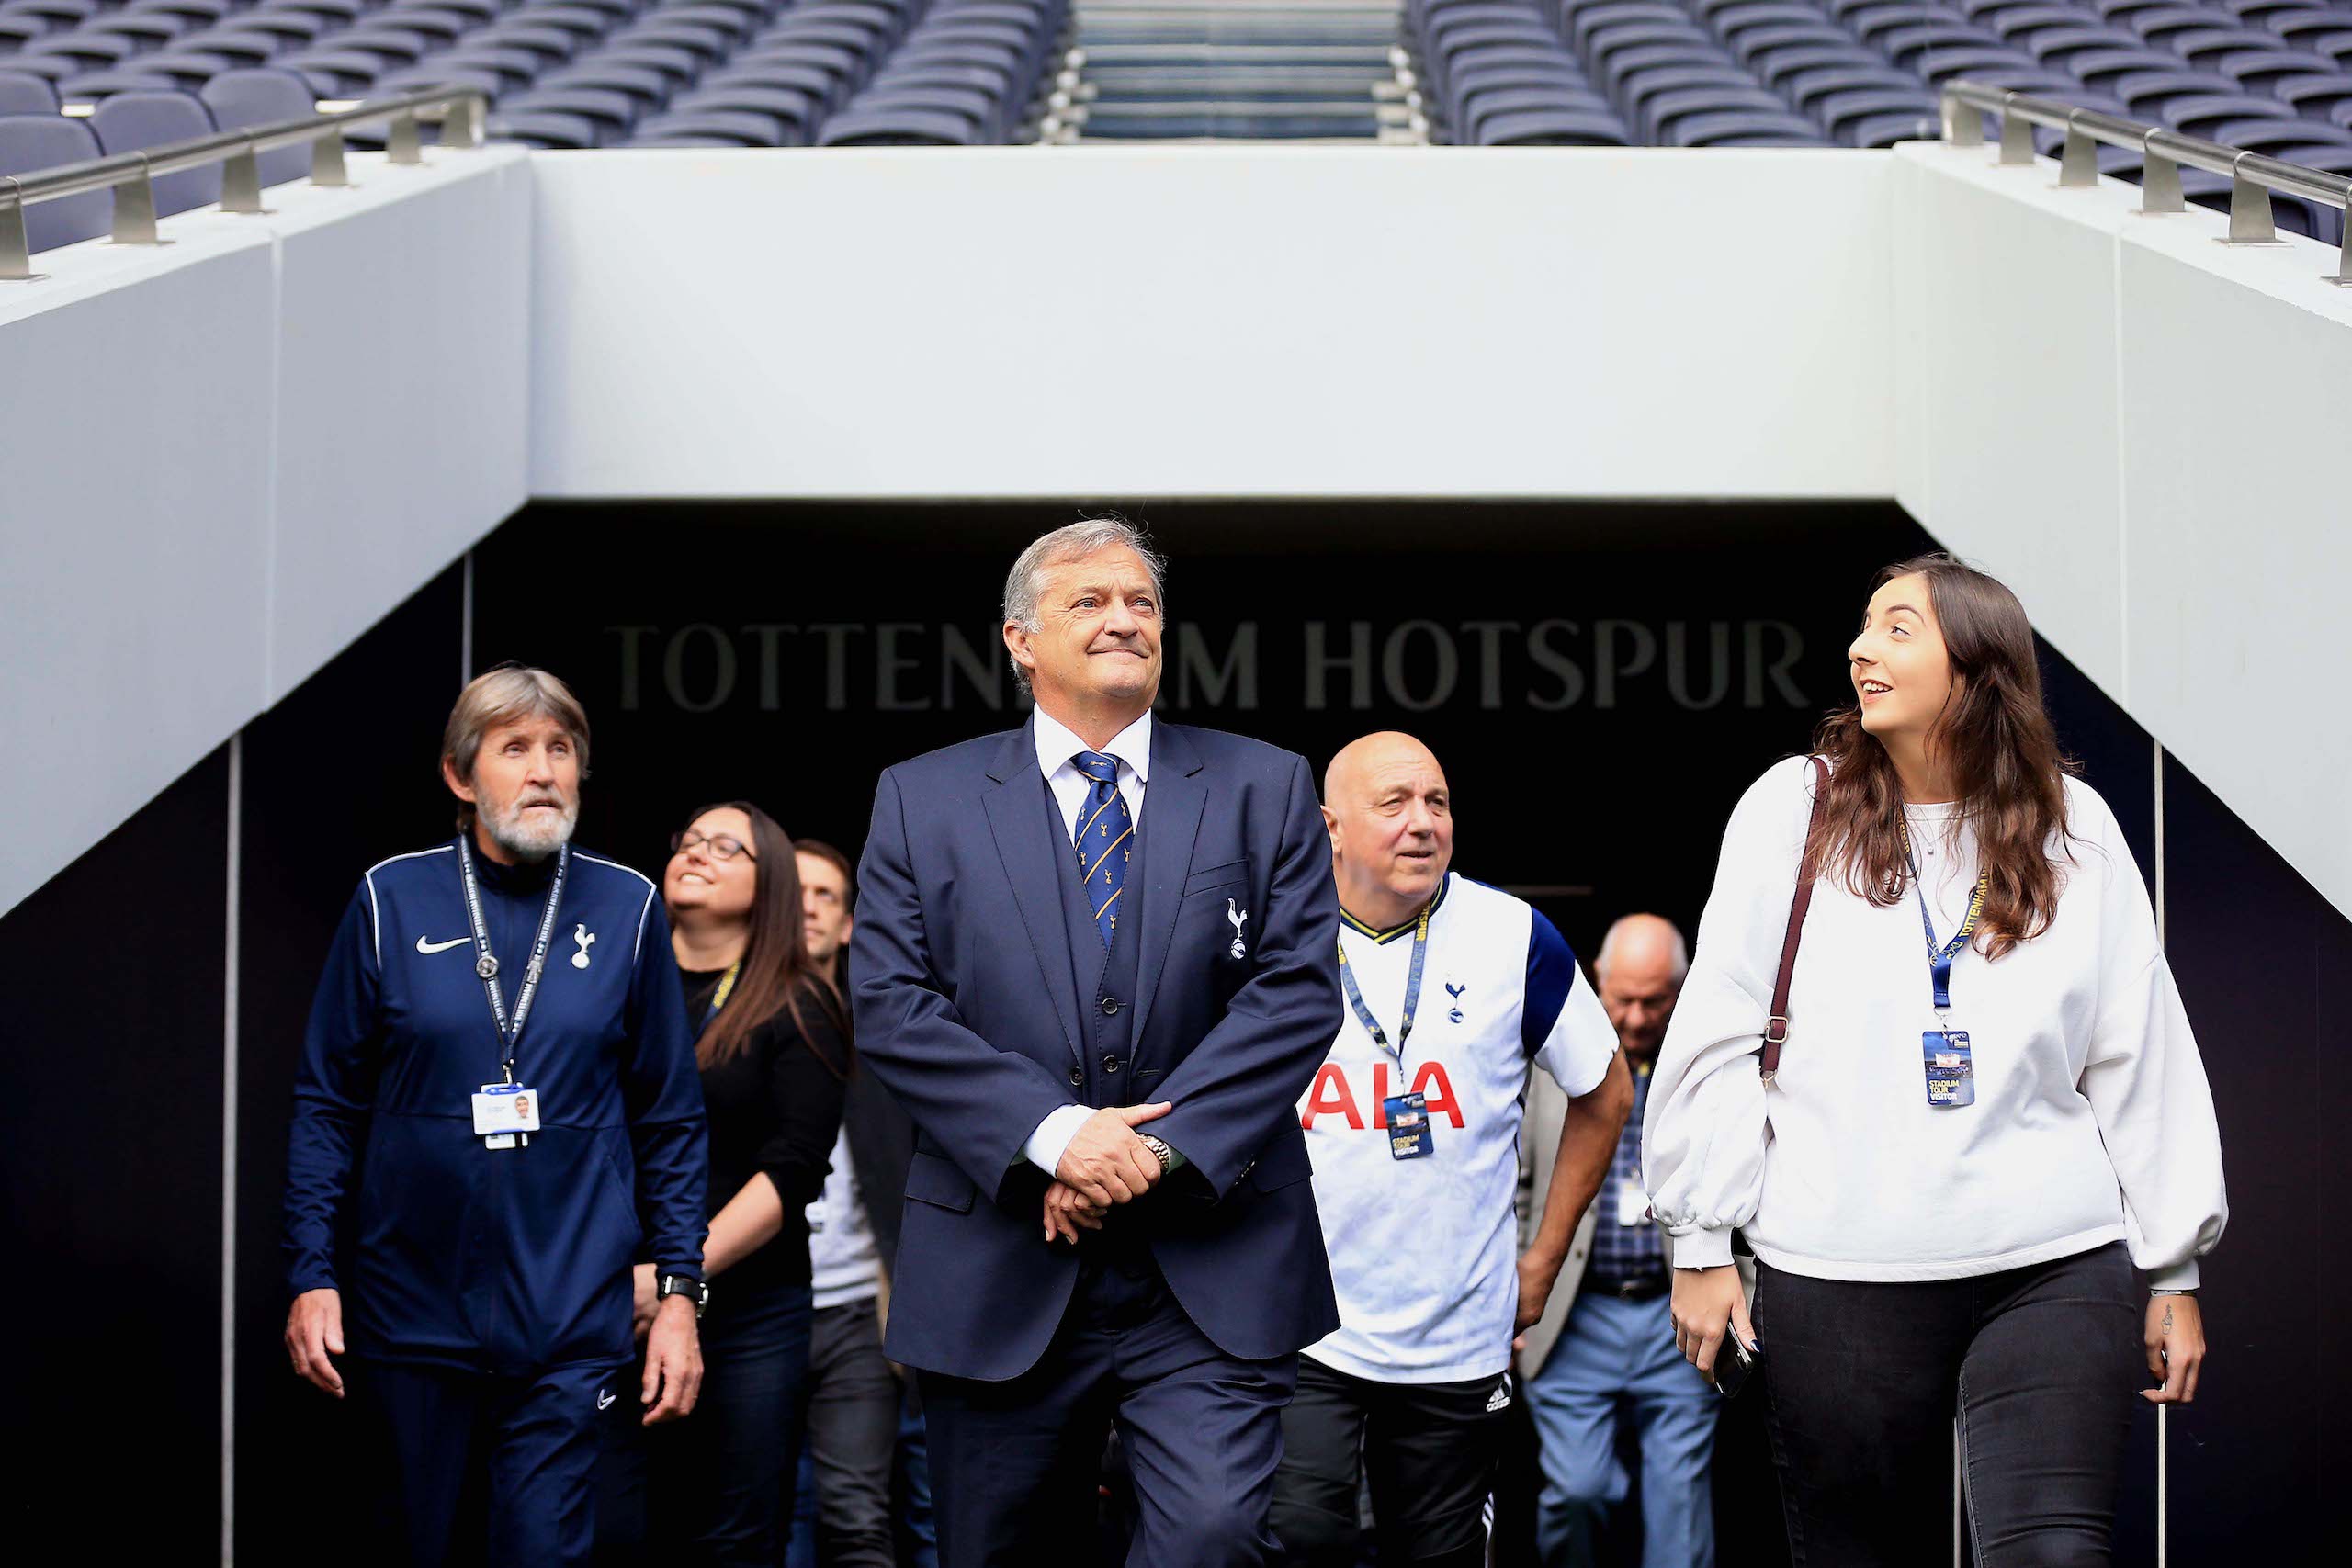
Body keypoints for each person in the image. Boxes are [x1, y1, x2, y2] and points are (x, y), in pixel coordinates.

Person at [1648, 554, 2229, 1565]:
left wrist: (2172, 1265)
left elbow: (2136, 1047)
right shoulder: (1795, 809)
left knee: (2054, 1555)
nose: (1860, 649)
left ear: (1976, 664)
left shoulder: (2071, 824)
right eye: (1863, 628)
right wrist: (1700, 1241)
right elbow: (1720, 1028)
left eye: (1897, 628)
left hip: (2050, 1262)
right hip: (1836, 1269)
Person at [849, 517, 1346, 1568]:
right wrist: (1055, 1136)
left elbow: (1295, 993)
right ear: (1019, 640)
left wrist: (1147, 1155)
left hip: (1212, 1260)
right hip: (999, 1256)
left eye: (1143, 603)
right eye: (1090, 601)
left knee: (1211, 1537)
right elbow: (891, 1002)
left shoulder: (1266, 786)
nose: (1125, 619)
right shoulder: (921, 798)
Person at [281, 666, 707, 1566]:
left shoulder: (627, 906)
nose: (545, 770)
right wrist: (310, 1273)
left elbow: (669, 1117)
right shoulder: (390, 899)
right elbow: (327, 1103)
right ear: (460, 775)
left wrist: (677, 1296)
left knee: (543, 1552)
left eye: (560, 749)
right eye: (516, 749)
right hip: (410, 1308)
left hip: (571, 1318)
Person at [1271, 733, 1630, 1568]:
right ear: (1329, 826)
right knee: (1300, 1537)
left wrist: (1542, 1256)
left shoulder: (1513, 934)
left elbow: (1605, 1090)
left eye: (1437, 802)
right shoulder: (1270, 936)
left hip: (1460, 1333)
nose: (1423, 823)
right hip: (1305, 1324)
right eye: (1393, 803)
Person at [621, 800, 849, 1563]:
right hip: (612, 1300)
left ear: (770, 883)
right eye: (688, 841)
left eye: (727, 847)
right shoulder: (618, 985)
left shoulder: (798, 1000)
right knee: (615, 1525)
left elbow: (791, 1172)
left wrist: (676, 1278)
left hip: (749, 1313)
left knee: (731, 1539)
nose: (697, 853)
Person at [1520, 914, 1718, 1567]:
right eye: (1622, 998)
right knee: (1579, 1491)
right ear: (1595, 980)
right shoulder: (1548, 1061)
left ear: (1681, 992)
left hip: (1675, 1318)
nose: (1634, 1017)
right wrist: (1518, 1284)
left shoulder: (1707, 1068)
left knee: (1678, 1508)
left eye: (1653, 1000)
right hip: (1575, 1316)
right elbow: (1515, 1181)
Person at [786, 835, 926, 1568]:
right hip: (756, 1301)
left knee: (857, 1514)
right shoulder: (721, 1025)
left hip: (861, 1307)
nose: (808, 908)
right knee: (766, 1509)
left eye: (826, 896)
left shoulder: (885, 1028)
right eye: (796, 891)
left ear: (849, 923)